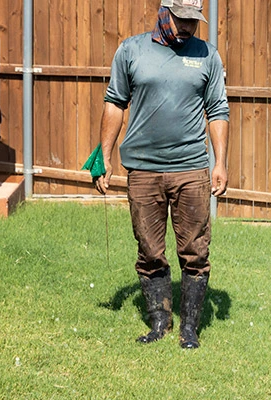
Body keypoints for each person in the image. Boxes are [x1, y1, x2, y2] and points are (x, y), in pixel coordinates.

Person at [95, 0, 229, 349]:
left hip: (191, 169)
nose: (188, 27)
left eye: (194, 21)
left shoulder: (206, 55)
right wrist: (104, 157)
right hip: (143, 171)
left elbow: (217, 109)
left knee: (195, 252)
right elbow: (114, 102)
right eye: (181, 19)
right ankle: (159, 324)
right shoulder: (131, 51)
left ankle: (189, 329)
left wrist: (220, 163)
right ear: (164, 12)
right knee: (150, 251)